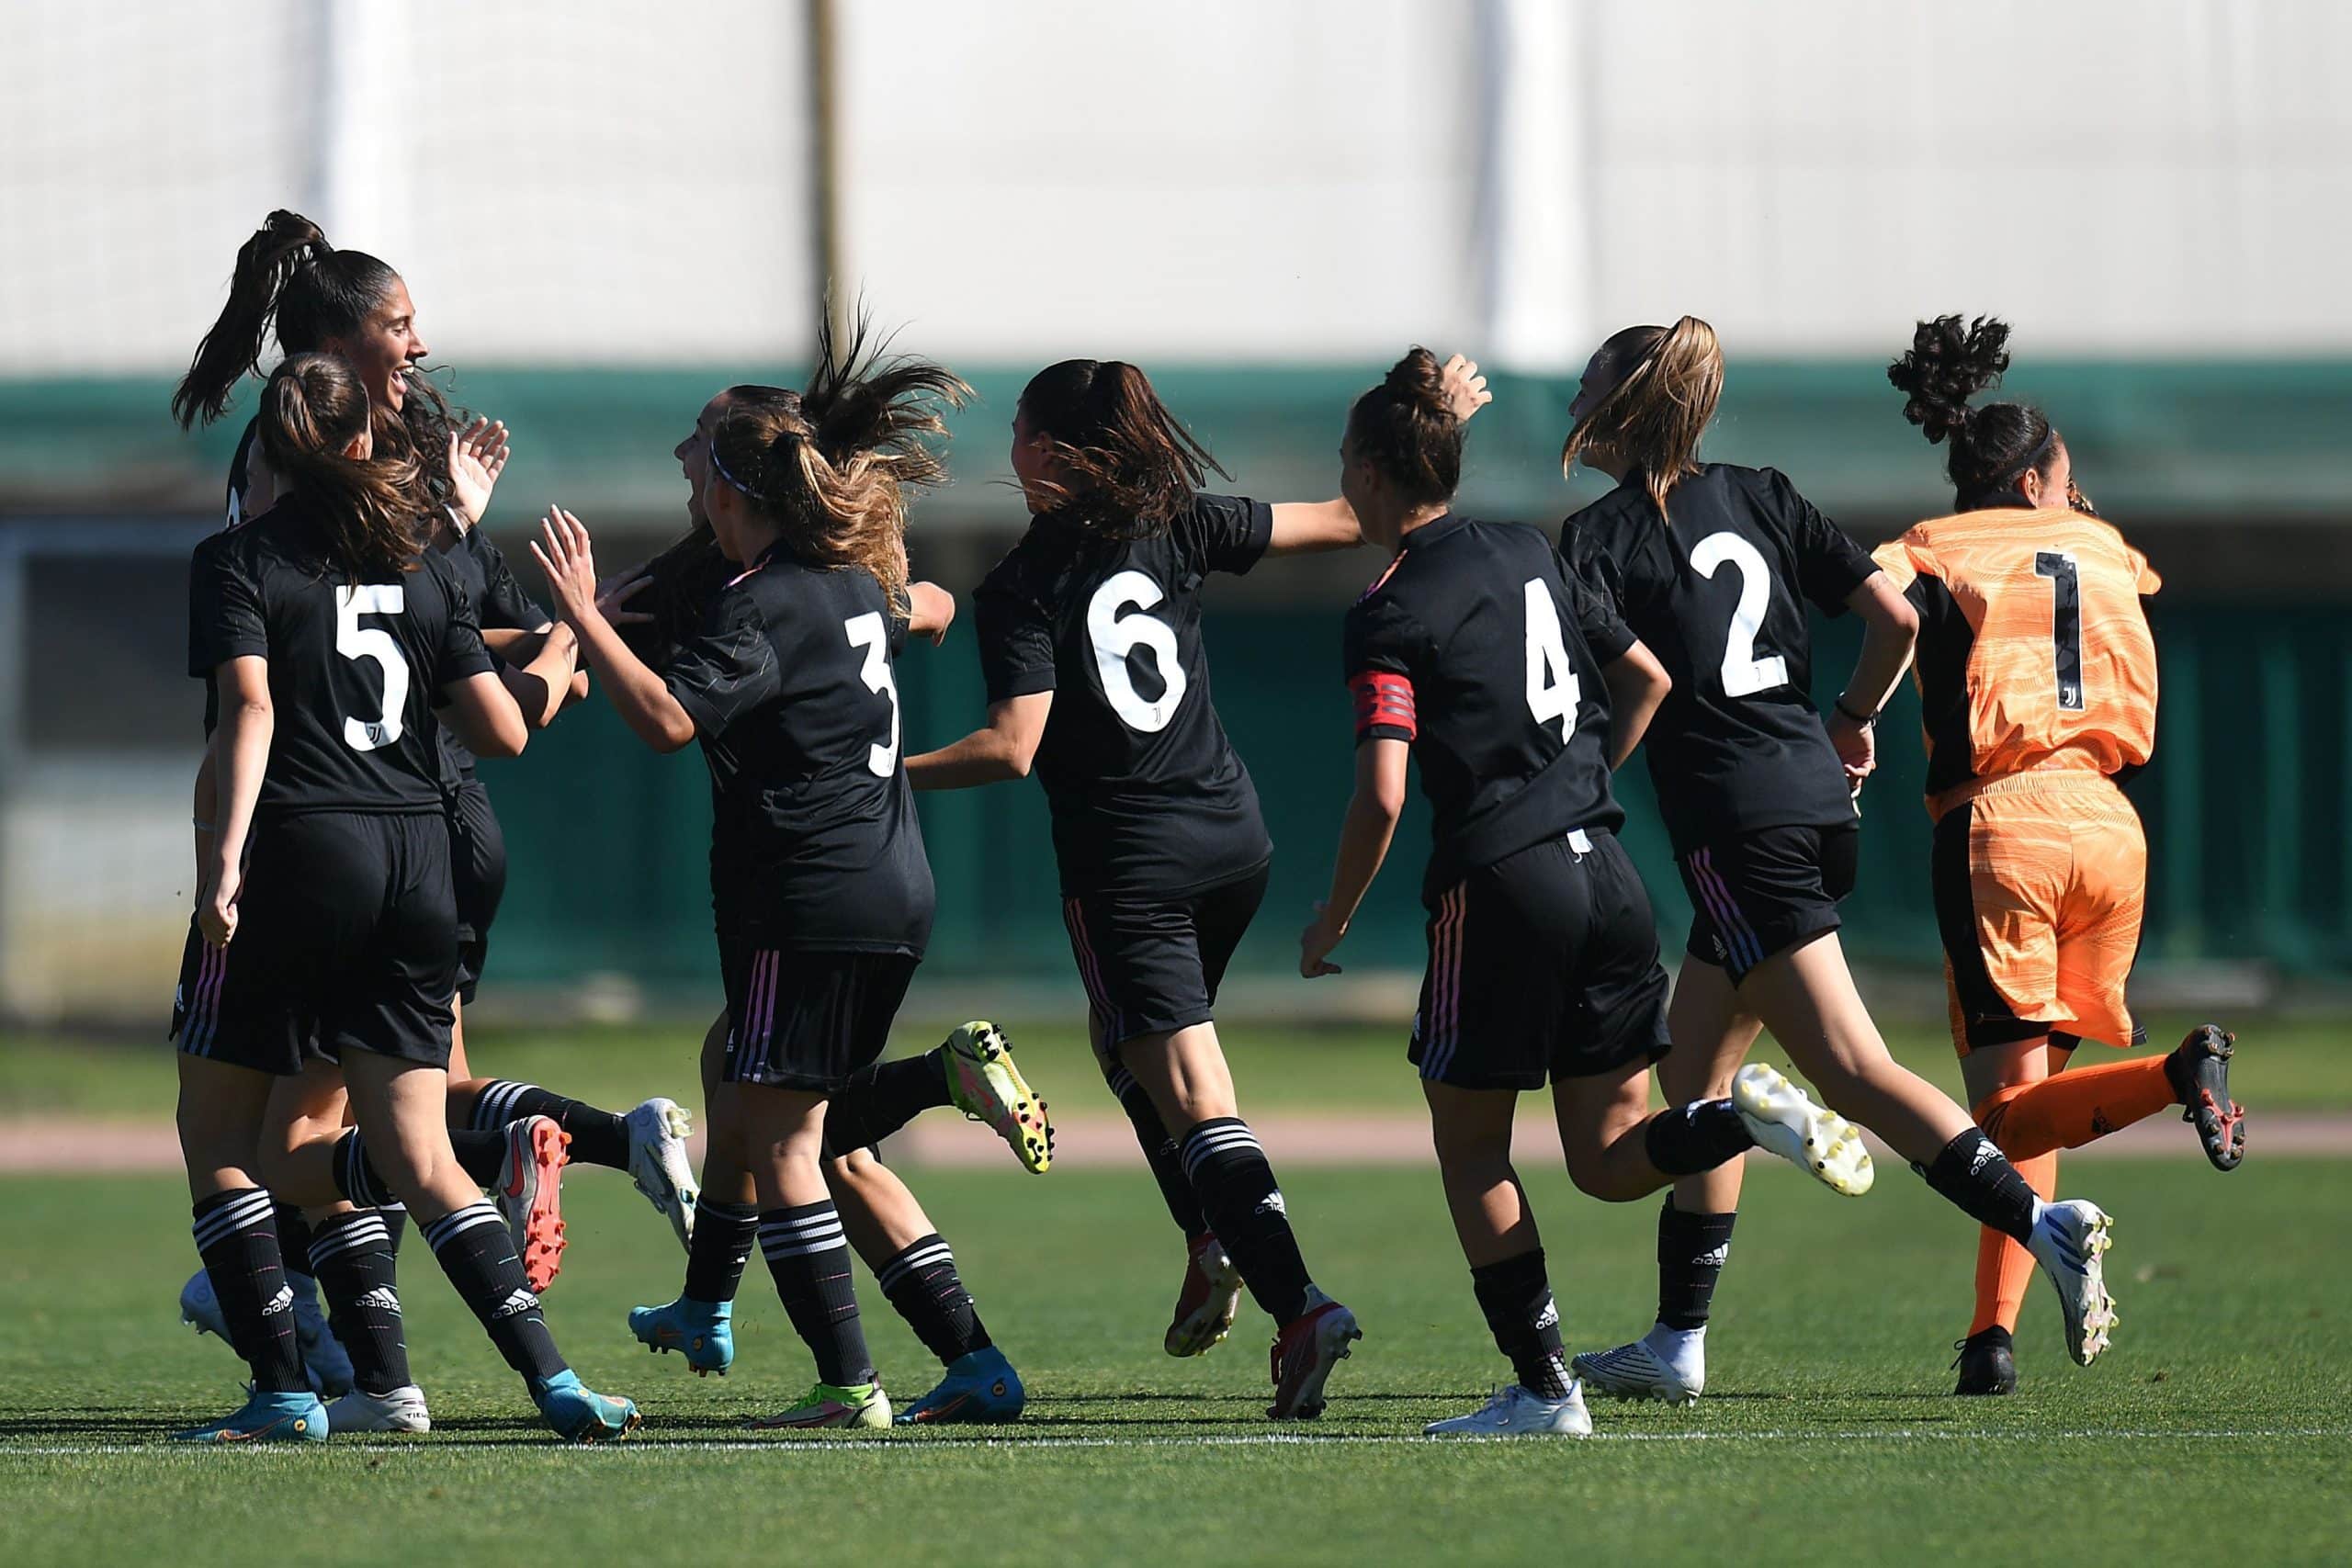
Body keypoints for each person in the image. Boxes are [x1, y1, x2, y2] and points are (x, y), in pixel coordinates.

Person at [169, 212, 698, 1431]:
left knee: (269, 1134)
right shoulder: (413, 535)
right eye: (398, 326)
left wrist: (221, 865)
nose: (418, 346)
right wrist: (573, 634)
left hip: (314, 835)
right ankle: (513, 1357)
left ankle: (312, 1372)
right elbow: (499, 684)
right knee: (403, 1124)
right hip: (431, 835)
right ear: (341, 354)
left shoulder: (261, 537)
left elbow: (251, 708)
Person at [904, 354, 1491, 1418]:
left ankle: (1298, 1305)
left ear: (1050, 452)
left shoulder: (1024, 582)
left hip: (1132, 869)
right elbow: (1353, 521)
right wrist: (1428, 432)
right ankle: (1211, 1234)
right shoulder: (1179, 522)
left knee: (1195, 1095)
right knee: (1126, 1047)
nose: (1011, 454)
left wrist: (879, 772)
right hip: (1235, 847)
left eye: (1021, 435)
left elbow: (1010, 747)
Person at [1297, 350, 1870, 1437]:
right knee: (1610, 1162)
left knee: (1470, 1148)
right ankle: (1737, 1120)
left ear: (1373, 473)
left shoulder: (1385, 608)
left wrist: (1332, 917)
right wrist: (1576, 785)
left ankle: (1546, 1390)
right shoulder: (1524, 545)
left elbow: (1382, 792)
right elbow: (1645, 673)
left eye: (1345, 465)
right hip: (1607, 875)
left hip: (1502, 887)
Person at [1557, 317, 2120, 1404]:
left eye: (1589, 377)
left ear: (1620, 406)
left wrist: (1580, 789)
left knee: (1853, 1072)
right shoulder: (1762, 492)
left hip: (1739, 827)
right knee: (1696, 1086)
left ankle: (2042, 1224)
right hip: (1813, 804)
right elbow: (1895, 615)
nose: (1575, 390)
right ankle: (1677, 1344)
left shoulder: (1596, 540)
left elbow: (1635, 691)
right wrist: (1854, 718)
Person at [535, 325, 1006, 1428]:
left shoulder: (764, 600)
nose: (684, 465)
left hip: (811, 892)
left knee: (787, 1141)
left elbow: (660, 720)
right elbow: (917, 608)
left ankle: (847, 1382)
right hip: (890, 886)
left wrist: (580, 615)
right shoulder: (841, 585)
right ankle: (750, 1311)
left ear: (737, 488)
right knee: (780, 1106)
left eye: (701, 449)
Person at [1877, 314, 2244, 1397]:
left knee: (1991, 1120)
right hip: (2108, 825)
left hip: (2001, 823)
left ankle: (2180, 1072)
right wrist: (2066, 509)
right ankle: (1990, 1341)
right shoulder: (2103, 543)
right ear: (2040, 477)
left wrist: (1858, 712)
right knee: (2035, 1110)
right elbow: (2110, 569)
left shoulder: (1936, 546)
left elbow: (1871, 592)